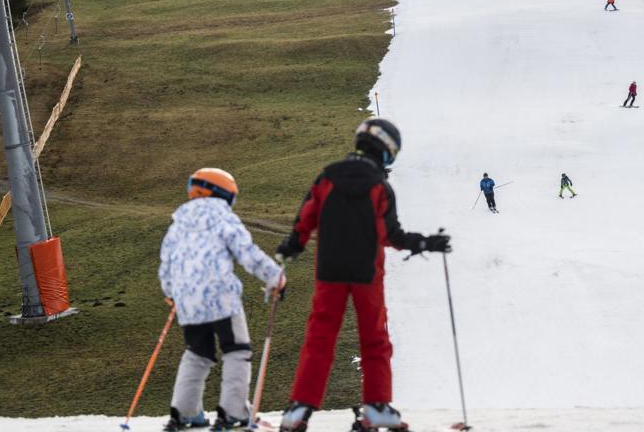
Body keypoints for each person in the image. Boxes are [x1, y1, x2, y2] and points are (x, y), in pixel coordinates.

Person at [276, 118, 451, 432]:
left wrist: (292, 246)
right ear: (386, 151)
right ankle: (377, 407)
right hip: (366, 273)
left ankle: (298, 410)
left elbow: (305, 218)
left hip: (329, 271)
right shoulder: (379, 186)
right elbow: (392, 235)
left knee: (320, 337)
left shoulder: (326, 177)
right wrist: (426, 243)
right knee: (374, 338)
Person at [159, 168, 286, 432]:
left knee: (197, 353)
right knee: (236, 350)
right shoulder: (223, 218)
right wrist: (275, 277)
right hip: (221, 299)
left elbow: (166, 263)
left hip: (188, 302)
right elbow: (247, 253)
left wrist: (170, 292)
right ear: (223, 194)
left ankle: (184, 413)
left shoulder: (177, 223)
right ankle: (233, 413)